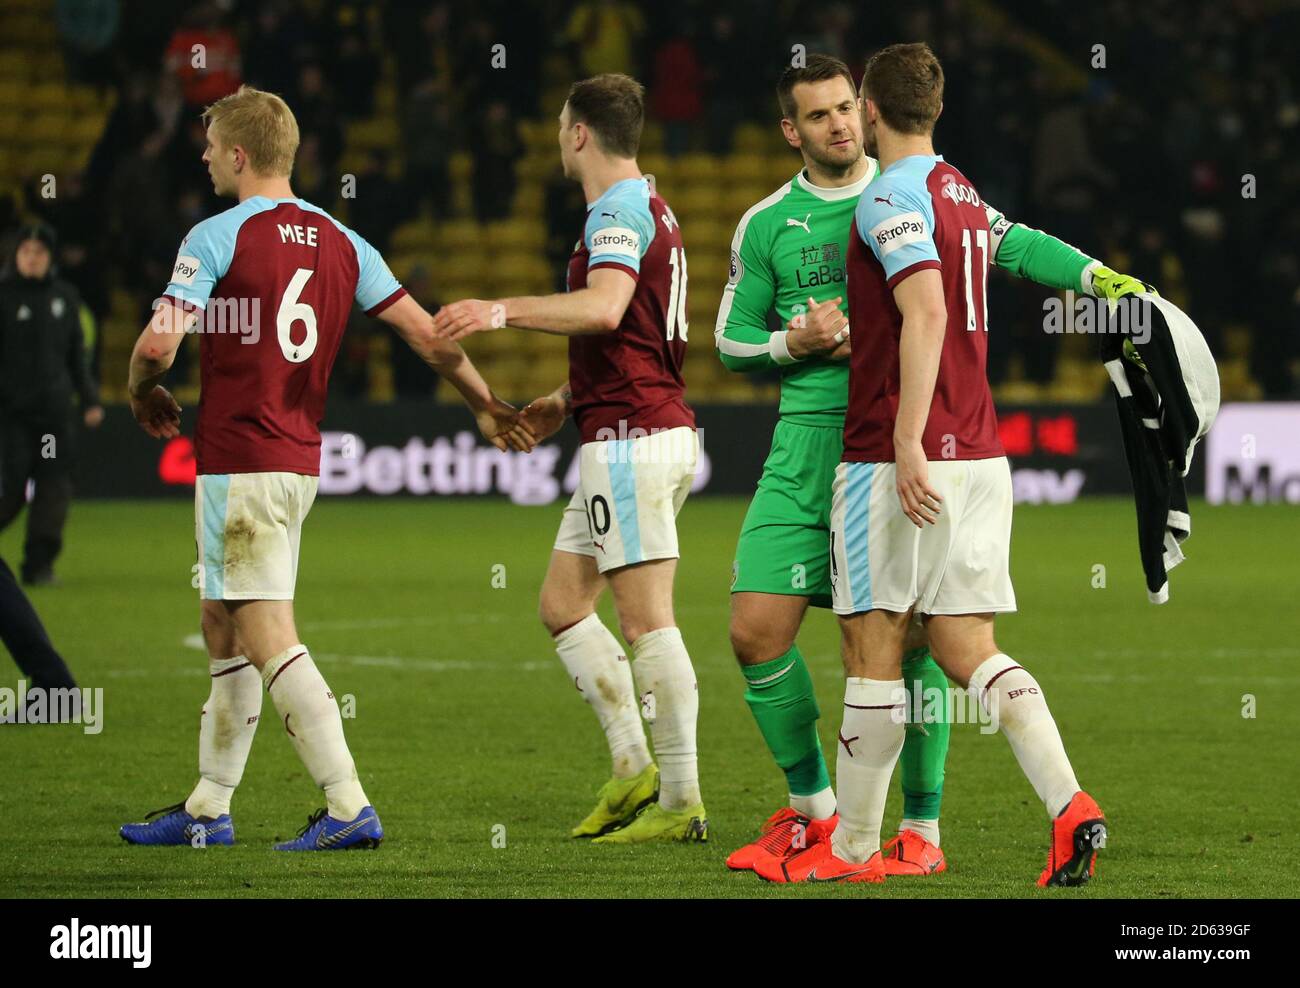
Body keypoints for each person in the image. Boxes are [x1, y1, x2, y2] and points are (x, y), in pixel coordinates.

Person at [717, 54, 1142, 879]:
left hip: (890, 444)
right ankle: (1066, 805)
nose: (839, 123)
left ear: (870, 108)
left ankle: (878, 838)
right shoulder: (939, 190)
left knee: (881, 645)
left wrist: (907, 438)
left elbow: (930, 306)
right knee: (949, 640)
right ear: (791, 131)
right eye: (819, 115)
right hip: (944, 444)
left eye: (847, 107)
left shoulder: (893, 194)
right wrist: (1102, 281)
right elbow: (1010, 248)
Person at [119, 86, 532, 851]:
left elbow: (156, 344)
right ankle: (209, 807)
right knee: (224, 621)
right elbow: (426, 334)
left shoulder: (215, 234)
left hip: (243, 458)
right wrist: (484, 402)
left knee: (265, 629)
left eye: (211, 147)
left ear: (239, 155)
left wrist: (141, 389)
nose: (204, 157)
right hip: (296, 459)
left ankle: (348, 806)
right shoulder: (344, 239)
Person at [435, 74, 706, 844]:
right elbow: (633, 335)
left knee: (647, 621)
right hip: (621, 429)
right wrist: (565, 397)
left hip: (634, 441)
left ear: (580, 133)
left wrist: (499, 311)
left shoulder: (618, 208)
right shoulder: (649, 205)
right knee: (562, 605)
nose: (558, 138)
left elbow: (606, 307)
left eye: (560, 125)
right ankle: (632, 771)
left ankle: (682, 799)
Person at [0, 223, 104, 586]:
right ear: (16, 256)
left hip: (54, 418)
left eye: (40, 253)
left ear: (50, 258)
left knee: (53, 488)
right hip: (11, 416)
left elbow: (77, 356)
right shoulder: (4, 295)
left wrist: (90, 399)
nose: (33, 258)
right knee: (9, 488)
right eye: (26, 251)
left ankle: (39, 566)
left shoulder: (65, 297)